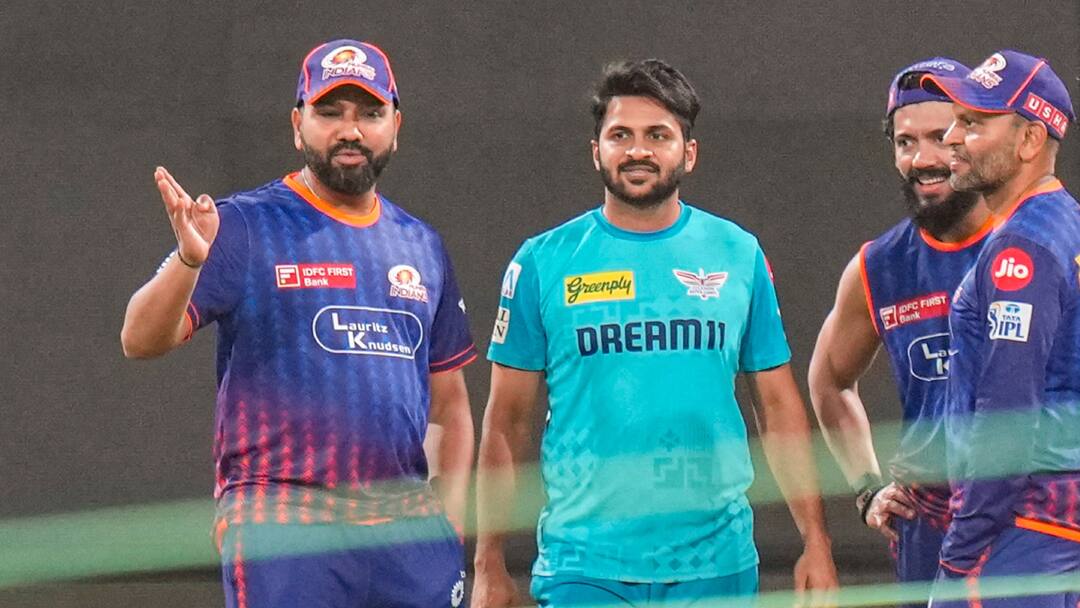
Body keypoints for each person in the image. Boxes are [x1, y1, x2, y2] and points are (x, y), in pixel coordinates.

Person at [120, 39, 476, 608]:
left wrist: (447, 528)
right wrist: (189, 260)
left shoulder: (422, 245)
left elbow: (450, 406)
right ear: (297, 125)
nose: (350, 130)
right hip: (284, 522)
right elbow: (139, 339)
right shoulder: (243, 225)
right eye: (329, 112)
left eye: (370, 113)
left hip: (407, 536)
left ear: (395, 126)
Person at [471, 58, 838, 608]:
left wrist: (817, 541)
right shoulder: (542, 262)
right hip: (584, 565)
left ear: (688, 153)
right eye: (620, 135)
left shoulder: (738, 253)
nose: (637, 150)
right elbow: (506, 423)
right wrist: (488, 563)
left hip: (716, 564)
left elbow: (779, 407)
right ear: (596, 151)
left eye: (657, 135)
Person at [808, 57, 992, 605]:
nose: (924, 159)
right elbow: (829, 381)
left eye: (941, 137)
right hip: (929, 528)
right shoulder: (880, 266)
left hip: (1031, 520)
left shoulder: (1039, 242)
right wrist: (867, 490)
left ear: (976, 135)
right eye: (906, 142)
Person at [917, 50, 1080, 607]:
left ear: (1030, 140)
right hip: (1049, 529)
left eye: (974, 122)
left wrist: (961, 553)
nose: (952, 137)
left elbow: (1008, 412)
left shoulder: (1022, 248)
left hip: (1021, 533)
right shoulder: (1063, 222)